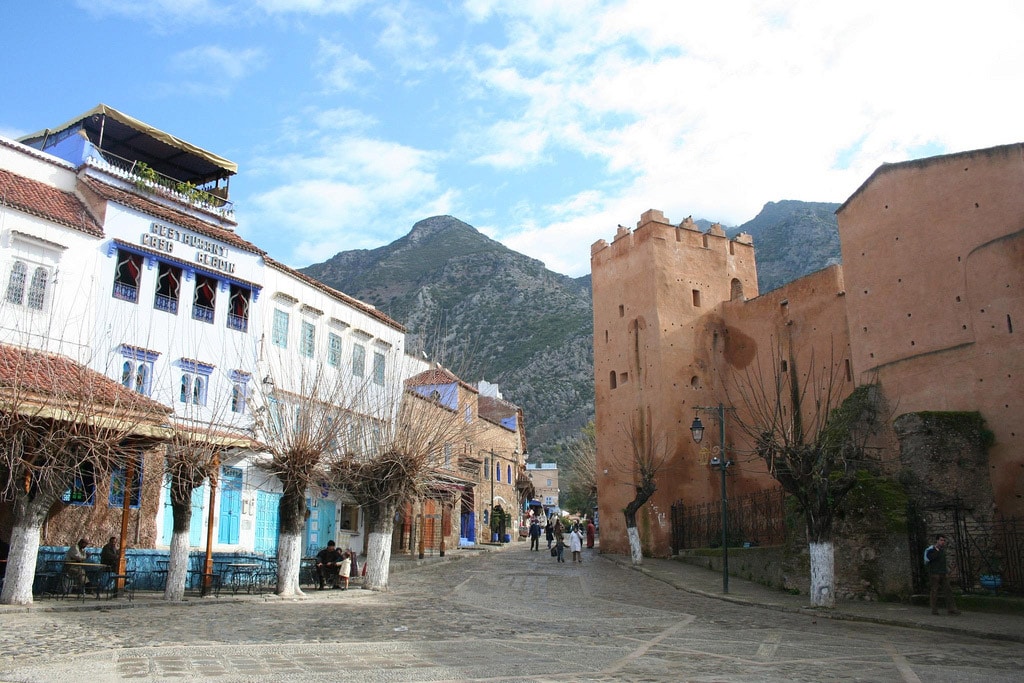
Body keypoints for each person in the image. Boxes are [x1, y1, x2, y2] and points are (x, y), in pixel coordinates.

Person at [925, 534, 960, 615]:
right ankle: (934, 609)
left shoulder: (942, 550)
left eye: (944, 540)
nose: (942, 542)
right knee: (934, 591)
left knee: (948, 590)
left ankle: (951, 609)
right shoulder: (931, 550)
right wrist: (936, 550)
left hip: (943, 573)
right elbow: (930, 559)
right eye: (941, 540)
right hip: (934, 573)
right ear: (937, 540)